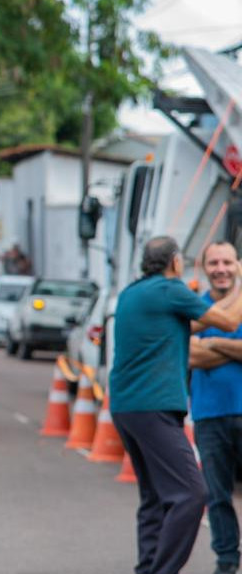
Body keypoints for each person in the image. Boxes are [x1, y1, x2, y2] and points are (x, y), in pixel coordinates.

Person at [111, 236, 242, 574]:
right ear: (175, 263)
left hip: (127, 408)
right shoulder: (171, 289)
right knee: (190, 493)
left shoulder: (133, 293)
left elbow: (195, 327)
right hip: (153, 407)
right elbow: (228, 323)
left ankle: (148, 568)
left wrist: (208, 343)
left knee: (155, 498)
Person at [190, 242, 242, 574]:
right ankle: (227, 561)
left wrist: (210, 343)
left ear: (237, 265)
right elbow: (187, 353)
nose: (220, 268)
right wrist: (233, 348)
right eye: (213, 262)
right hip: (209, 415)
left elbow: (199, 350)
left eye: (226, 261)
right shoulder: (194, 307)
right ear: (203, 267)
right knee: (217, 495)